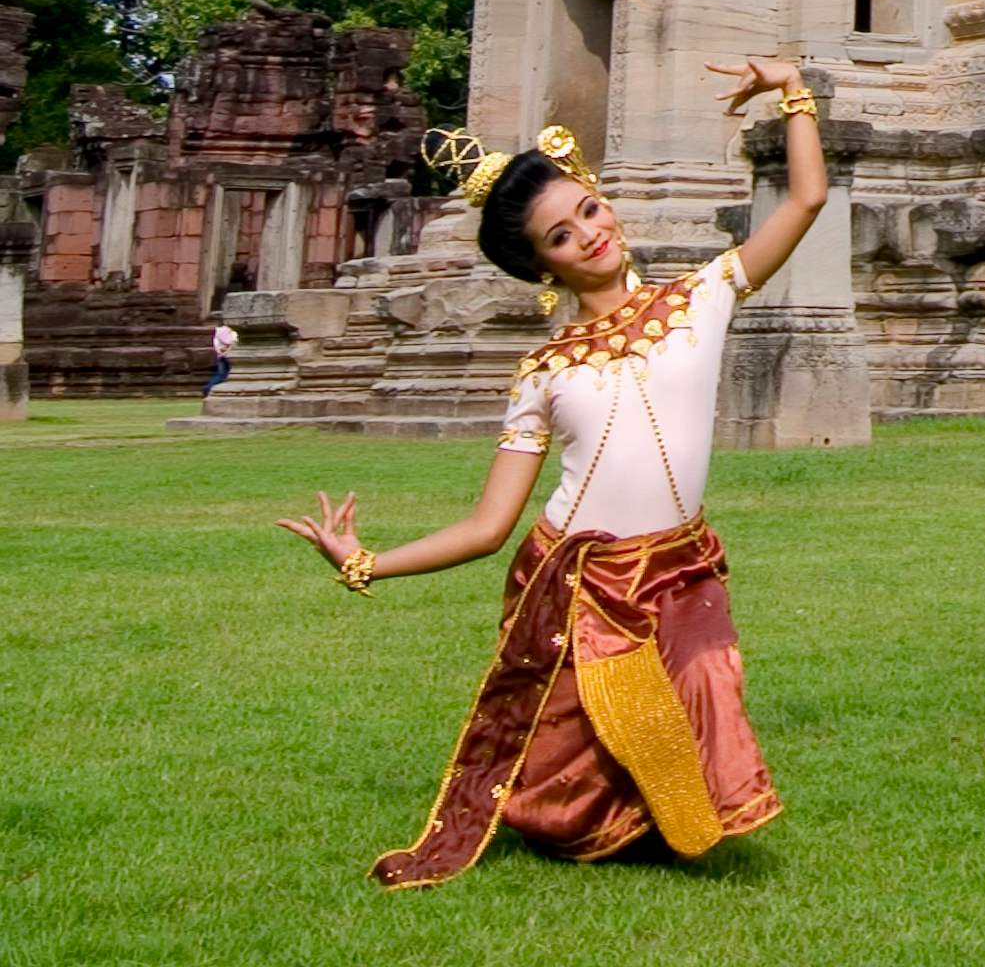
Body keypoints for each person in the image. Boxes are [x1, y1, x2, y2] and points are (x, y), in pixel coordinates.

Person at [273, 59, 831, 887]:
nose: (591, 234)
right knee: (577, 750)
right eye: (561, 235)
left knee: (704, 688)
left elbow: (806, 200)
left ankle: (659, 827)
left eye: (589, 209)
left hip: (681, 562)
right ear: (542, 267)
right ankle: (591, 831)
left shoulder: (701, 297)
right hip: (581, 574)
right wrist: (365, 560)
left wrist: (792, 90)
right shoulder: (544, 370)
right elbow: (488, 526)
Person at [204, 323, 237, 395]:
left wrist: (220, 353)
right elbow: (233, 344)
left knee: (220, 374)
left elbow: (216, 346)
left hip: (220, 356)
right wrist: (226, 352)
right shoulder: (233, 332)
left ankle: (207, 388)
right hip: (232, 357)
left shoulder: (217, 333)